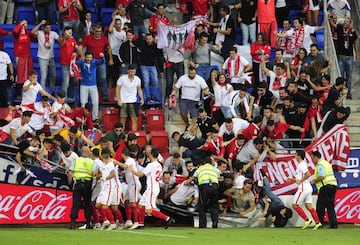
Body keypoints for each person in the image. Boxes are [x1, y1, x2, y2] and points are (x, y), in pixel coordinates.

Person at [129, 147, 176, 229]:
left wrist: (132, 170)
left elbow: (140, 175)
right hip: (153, 187)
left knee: (148, 210)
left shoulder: (151, 165)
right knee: (141, 205)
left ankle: (168, 218)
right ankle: (141, 223)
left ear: (151, 155)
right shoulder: (159, 165)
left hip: (151, 189)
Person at [287, 150, 322, 230]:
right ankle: (317, 222)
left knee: (295, 205)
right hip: (308, 187)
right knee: (309, 206)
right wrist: (292, 179)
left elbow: (308, 174)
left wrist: (300, 181)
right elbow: (300, 178)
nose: (295, 156)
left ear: (299, 156)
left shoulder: (301, 165)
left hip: (303, 188)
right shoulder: (301, 165)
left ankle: (307, 220)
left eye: (296, 155)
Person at [80, 24, 114, 102]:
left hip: (100, 61)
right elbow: (80, 47)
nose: (99, 33)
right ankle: (88, 98)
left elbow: (109, 48)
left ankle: (105, 96)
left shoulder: (104, 38)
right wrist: (82, 56)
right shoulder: (88, 38)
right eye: (97, 31)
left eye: (100, 31)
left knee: (103, 78)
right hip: (90, 62)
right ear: (93, 31)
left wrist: (111, 59)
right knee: (90, 78)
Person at [67, 146, 96, 229]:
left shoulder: (76, 160)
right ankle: (88, 223)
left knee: (76, 204)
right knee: (87, 204)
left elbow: (70, 173)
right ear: (88, 152)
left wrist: (70, 184)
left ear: (81, 152)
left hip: (77, 183)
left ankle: (73, 223)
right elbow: (94, 173)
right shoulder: (92, 162)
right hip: (88, 184)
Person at [310, 151, 338, 228]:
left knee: (320, 207)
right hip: (333, 186)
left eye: (312, 158)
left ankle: (319, 223)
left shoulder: (320, 165)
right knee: (330, 206)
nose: (312, 160)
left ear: (316, 157)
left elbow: (322, 176)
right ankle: (334, 224)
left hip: (325, 187)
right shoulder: (326, 163)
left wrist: (314, 180)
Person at [333, 17, 358, 99]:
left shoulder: (352, 31)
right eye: (345, 21)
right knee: (341, 76)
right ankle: (340, 92)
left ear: (350, 23)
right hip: (341, 57)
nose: (345, 23)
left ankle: (348, 93)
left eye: (347, 22)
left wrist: (357, 54)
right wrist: (330, 18)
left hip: (350, 57)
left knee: (349, 77)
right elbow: (333, 25)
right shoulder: (340, 28)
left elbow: (355, 43)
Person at [76, 51, 105, 122]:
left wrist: (102, 56)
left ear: (92, 58)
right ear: (85, 57)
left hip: (93, 85)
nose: (89, 59)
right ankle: (83, 118)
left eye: (90, 57)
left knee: (95, 102)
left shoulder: (94, 62)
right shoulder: (82, 62)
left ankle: (95, 118)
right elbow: (74, 62)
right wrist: (76, 55)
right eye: (87, 57)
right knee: (83, 103)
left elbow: (102, 61)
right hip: (84, 85)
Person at [191, 156, 220, 228]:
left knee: (202, 205)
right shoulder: (214, 169)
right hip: (214, 186)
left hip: (204, 187)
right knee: (214, 205)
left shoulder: (201, 168)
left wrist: (188, 181)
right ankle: (215, 223)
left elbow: (194, 176)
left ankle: (203, 225)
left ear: (204, 162)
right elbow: (218, 175)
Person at [31, 20, 59, 92]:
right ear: (44, 28)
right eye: (46, 28)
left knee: (53, 75)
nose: (48, 29)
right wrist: (40, 23)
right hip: (42, 57)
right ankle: (43, 92)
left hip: (51, 57)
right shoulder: (40, 33)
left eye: (49, 28)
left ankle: (53, 90)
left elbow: (60, 40)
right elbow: (32, 32)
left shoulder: (53, 33)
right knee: (44, 76)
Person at [12, 20, 37, 99]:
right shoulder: (17, 33)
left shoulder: (27, 33)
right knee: (20, 76)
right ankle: (18, 94)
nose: (26, 25)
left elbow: (34, 38)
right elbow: (14, 31)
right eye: (24, 23)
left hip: (27, 56)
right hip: (20, 56)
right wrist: (20, 24)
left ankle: (28, 93)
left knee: (28, 75)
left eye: (26, 23)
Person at [116, 64, 144, 131]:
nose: (132, 73)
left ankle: (133, 136)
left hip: (133, 101)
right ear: (128, 71)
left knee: (134, 119)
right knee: (123, 119)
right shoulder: (122, 78)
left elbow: (139, 89)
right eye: (131, 72)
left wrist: (142, 98)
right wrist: (118, 99)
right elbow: (117, 88)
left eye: (133, 72)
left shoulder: (137, 79)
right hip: (123, 101)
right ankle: (121, 135)